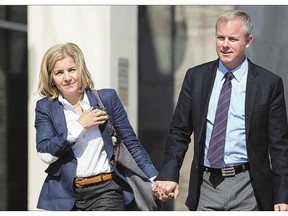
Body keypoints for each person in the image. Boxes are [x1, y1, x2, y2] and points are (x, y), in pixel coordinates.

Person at [152, 9, 288, 211]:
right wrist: (169, 173)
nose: (225, 45)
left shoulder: (269, 84)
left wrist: (282, 195)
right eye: (220, 37)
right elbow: (179, 131)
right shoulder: (196, 78)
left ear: (248, 41)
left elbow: (279, 147)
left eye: (232, 39)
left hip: (249, 187)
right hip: (206, 186)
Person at [35, 42, 158, 211]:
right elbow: (46, 154)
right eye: (59, 73)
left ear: (81, 70)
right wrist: (79, 126)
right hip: (65, 195)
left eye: (72, 69)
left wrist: (154, 178)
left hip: (106, 189)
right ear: (51, 78)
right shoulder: (45, 108)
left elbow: (131, 143)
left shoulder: (107, 98)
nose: (67, 77)